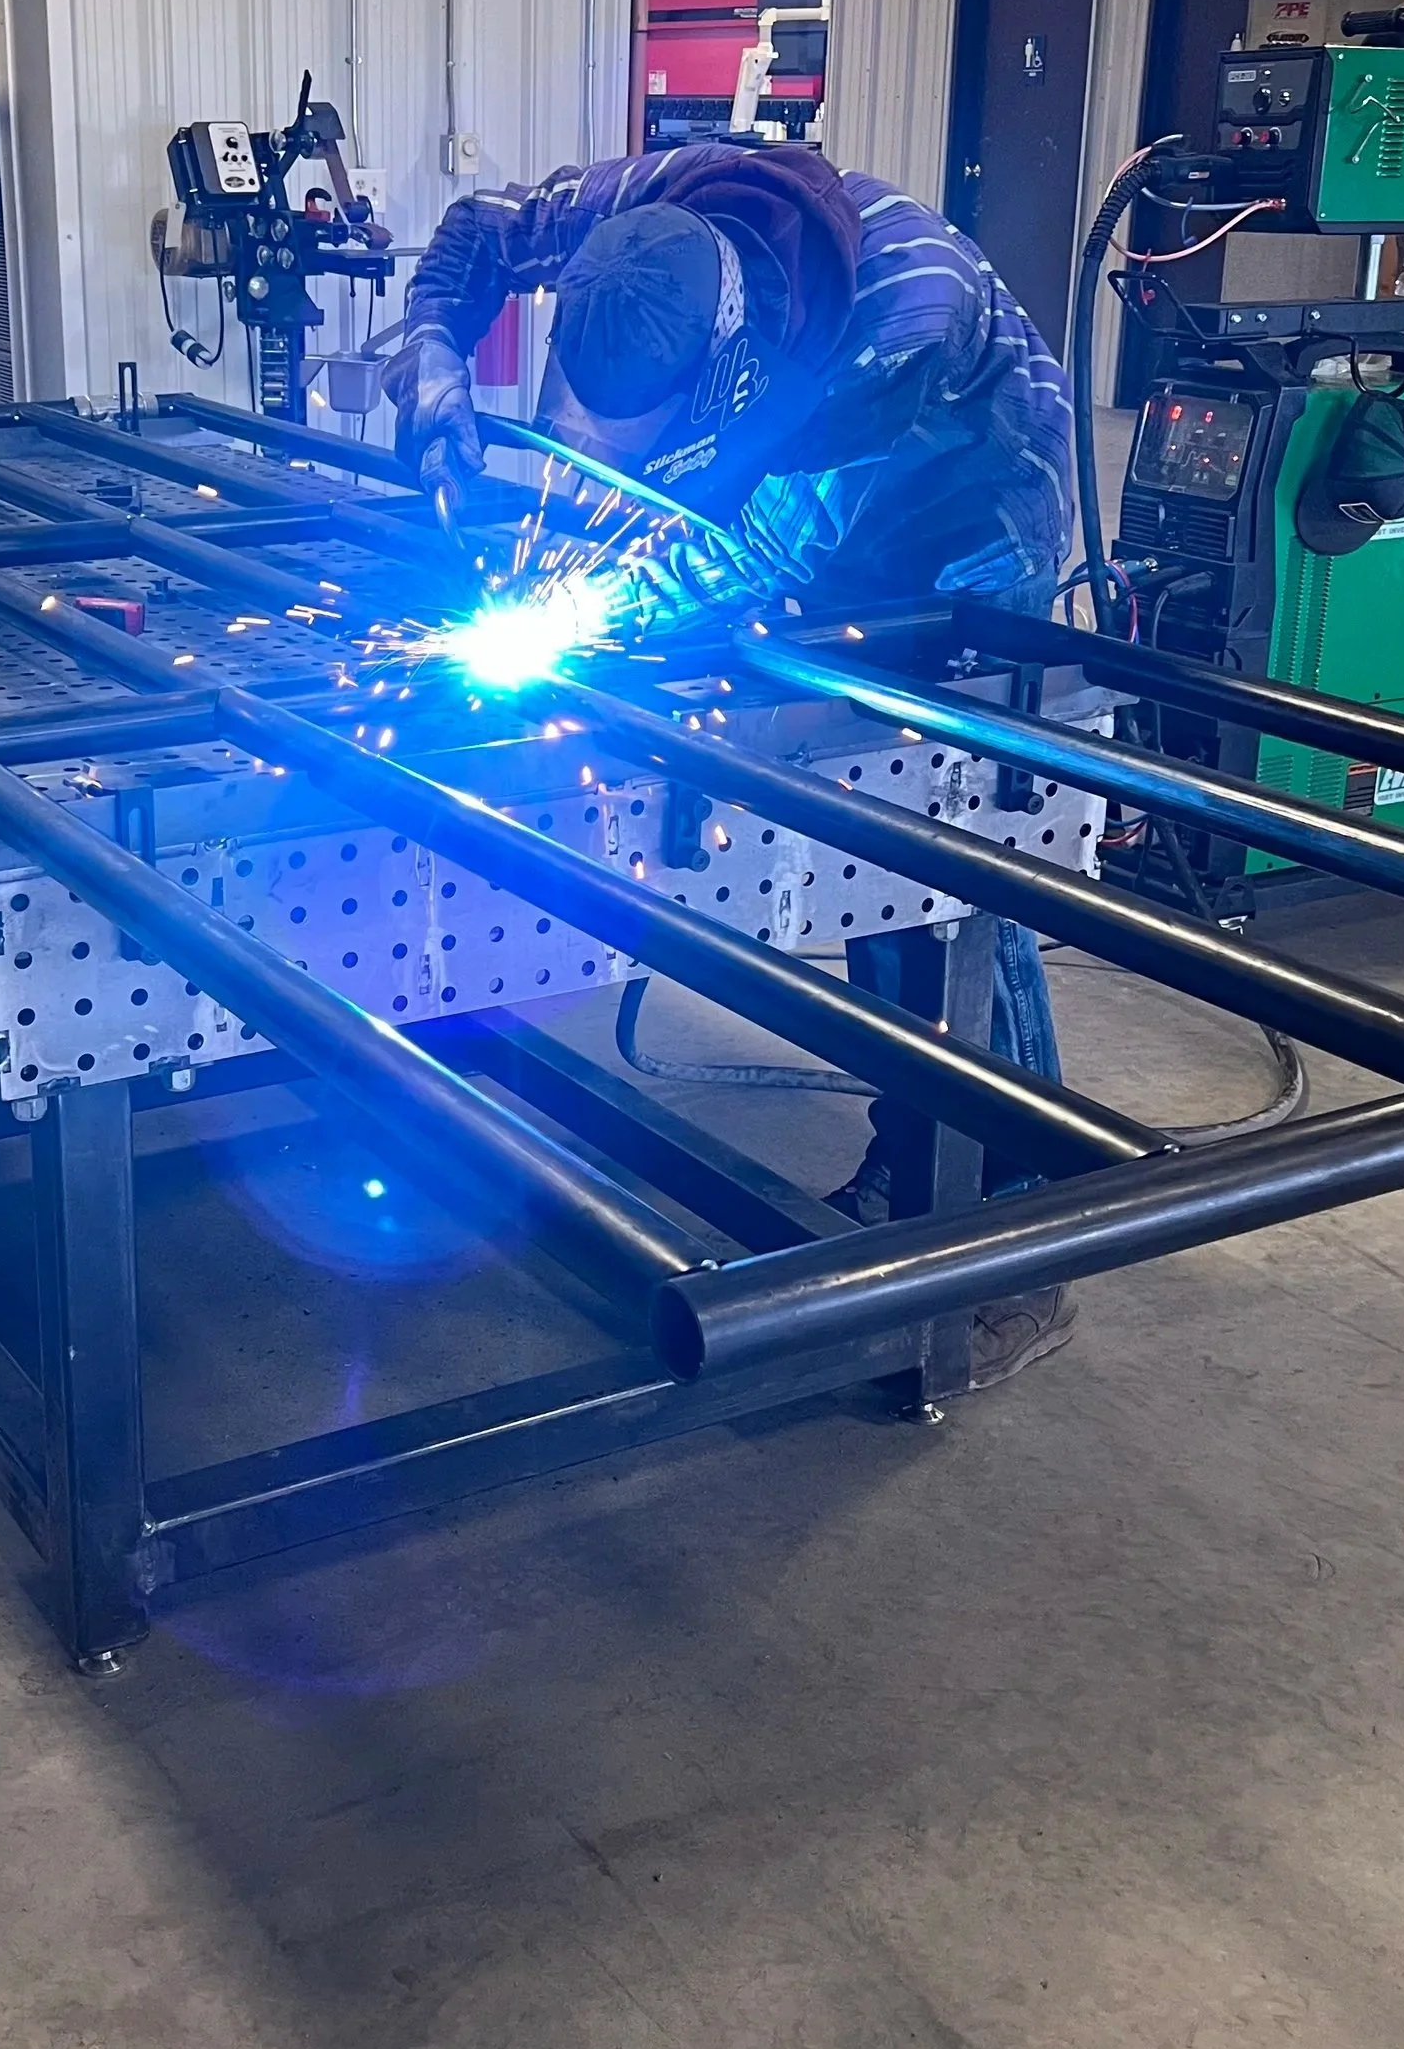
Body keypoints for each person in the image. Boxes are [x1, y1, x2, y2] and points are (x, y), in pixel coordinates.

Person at [381, 136, 1079, 1381]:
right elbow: (476, 231)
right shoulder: (643, 212)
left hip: (964, 522)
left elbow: (753, 554)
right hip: (802, 480)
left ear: (735, 374)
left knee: (931, 840)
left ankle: (1017, 1225)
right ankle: (921, 1145)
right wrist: (432, 350)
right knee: (855, 819)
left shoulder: (895, 332)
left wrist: (553, 621)